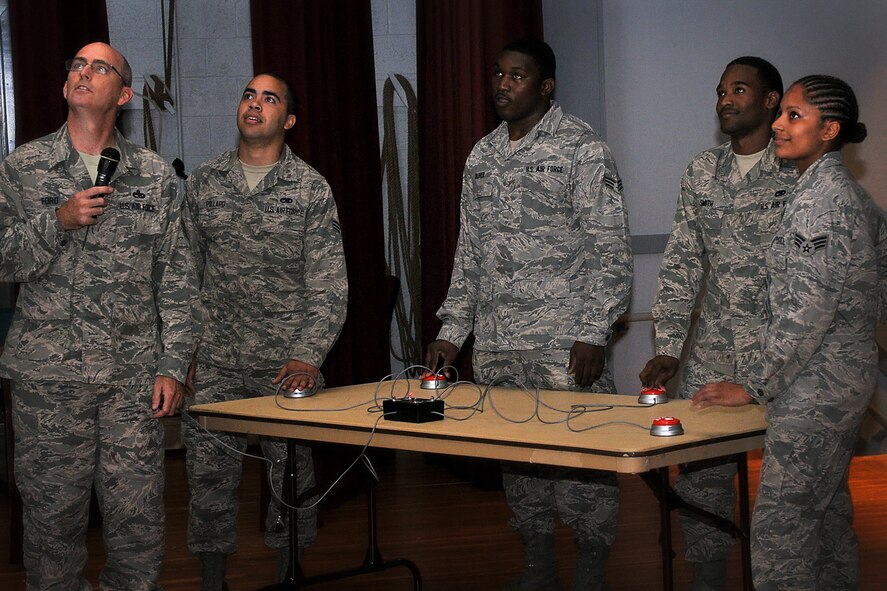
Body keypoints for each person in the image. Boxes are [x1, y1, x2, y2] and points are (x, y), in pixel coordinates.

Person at [424, 39, 632, 591]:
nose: (502, 84)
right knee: (520, 466)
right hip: (497, 346)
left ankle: (591, 569)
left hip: (564, 347)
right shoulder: (481, 155)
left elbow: (609, 247)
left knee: (582, 464)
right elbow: (469, 251)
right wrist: (452, 332)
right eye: (498, 74)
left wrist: (593, 331)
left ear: (545, 86)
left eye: (517, 76)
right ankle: (538, 564)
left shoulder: (582, 148)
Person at [0, 42, 194, 589]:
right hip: (48, 380)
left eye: (100, 67)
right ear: (66, 87)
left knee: (138, 519)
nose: (84, 72)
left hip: (131, 380)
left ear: (124, 94)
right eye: (77, 66)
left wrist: (174, 364)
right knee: (52, 521)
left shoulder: (154, 178)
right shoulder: (23, 169)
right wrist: (55, 221)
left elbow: (178, 280)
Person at [692, 75, 885, 590]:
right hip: (839, 383)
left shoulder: (820, 201)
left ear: (830, 130)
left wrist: (753, 385)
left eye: (795, 115)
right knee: (826, 521)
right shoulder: (840, 192)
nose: (779, 123)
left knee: (781, 538)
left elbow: (804, 315)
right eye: (784, 114)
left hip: (816, 392)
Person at [182, 73, 348, 590]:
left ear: (288, 120)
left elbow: (329, 285)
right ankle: (214, 579)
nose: (254, 104)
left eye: (269, 98)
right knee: (208, 479)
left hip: (285, 363)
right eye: (248, 95)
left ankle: (288, 572)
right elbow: (183, 274)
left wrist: (308, 356)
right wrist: (180, 353)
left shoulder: (309, 188)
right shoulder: (205, 183)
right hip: (213, 362)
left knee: (292, 476)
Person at [638, 57, 796, 590]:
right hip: (714, 352)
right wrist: (669, 345)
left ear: (772, 100)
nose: (724, 99)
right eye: (720, 91)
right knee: (703, 480)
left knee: (791, 485)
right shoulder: (702, 171)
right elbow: (683, 263)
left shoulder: (800, 170)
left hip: (785, 354)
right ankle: (709, 579)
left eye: (739, 89)